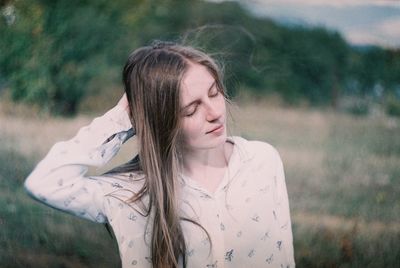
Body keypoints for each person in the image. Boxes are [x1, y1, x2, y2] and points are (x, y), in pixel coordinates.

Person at [24, 41, 295, 267]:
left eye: (215, 93)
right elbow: (44, 183)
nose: (214, 113)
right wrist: (121, 118)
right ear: (161, 120)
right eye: (191, 109)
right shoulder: (132, 192)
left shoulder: (262, 160)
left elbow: (284, 258)